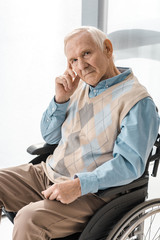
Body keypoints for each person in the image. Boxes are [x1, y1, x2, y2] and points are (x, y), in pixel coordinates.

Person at [0, 26, 159, 240]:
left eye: (86, 53)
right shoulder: (78, 86)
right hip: (50, 174)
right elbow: (50, 137)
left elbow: (129, 165)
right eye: (73, 60)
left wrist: (78, 185)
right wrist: (61, 100)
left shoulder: (136, 101)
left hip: (94, 194)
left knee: (28, 220)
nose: (81, 66)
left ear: (108, 49)